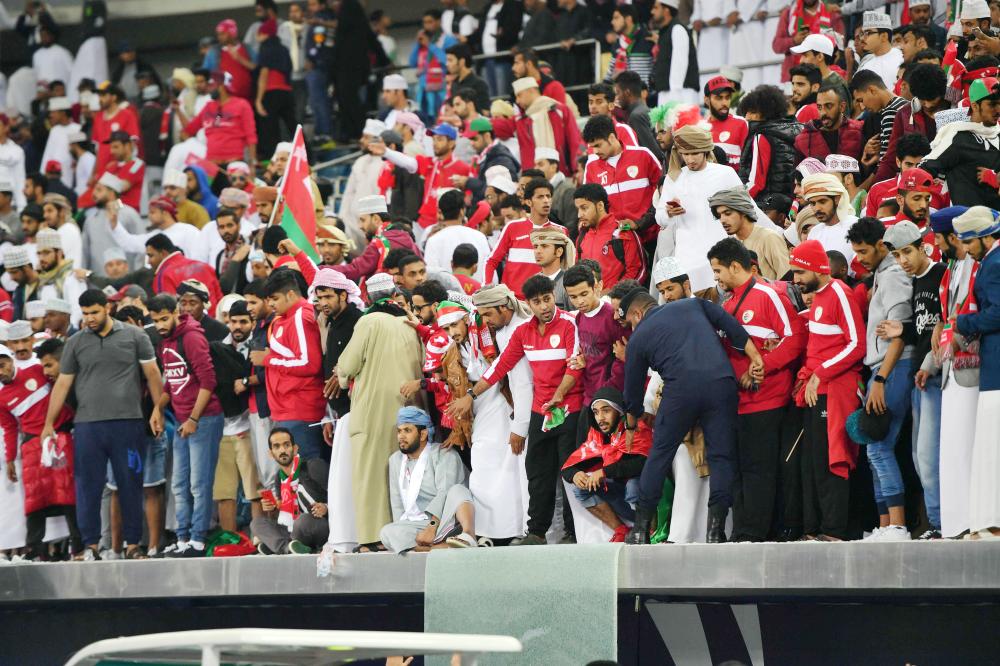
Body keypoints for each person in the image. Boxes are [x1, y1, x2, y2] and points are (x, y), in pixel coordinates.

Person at [620, 287, 765, 544]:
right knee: (721, 456)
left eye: (628, 321)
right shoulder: (693, 304)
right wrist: (755, 357)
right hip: (721, 383)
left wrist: (633, 425)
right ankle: (715, 531)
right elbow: (731, 326)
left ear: (638, 313)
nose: (629, 328)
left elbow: (631, 397)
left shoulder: (639, 337)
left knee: (660, 456)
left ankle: (641, 529)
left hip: (679, 393)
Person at [461, 274, 583, 546]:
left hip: (569, 408)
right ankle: (537, 532)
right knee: (537, 473)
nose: (544, 306)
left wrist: (559, 395)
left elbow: (575, 366)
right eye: (537, 302)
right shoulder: (523, 332)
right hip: (542, 413)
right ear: (528, 303)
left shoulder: (570, 324)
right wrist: (471, 394)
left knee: (569, 473)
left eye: (548, 299)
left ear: (554, 296)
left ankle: (576, 533)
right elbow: (500, 367)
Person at [42, 289, 164, 561]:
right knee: (88, 486)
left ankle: (133, 545)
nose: (89, 319)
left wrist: (158, 409)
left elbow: (153, 373)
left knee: (130, 483)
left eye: (94, 312)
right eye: (84, 314)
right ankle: (91, 546)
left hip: (128, 424)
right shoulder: (75, 342)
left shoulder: (135, 336)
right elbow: (63, 383)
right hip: (87, 426)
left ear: (107, 308)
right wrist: (48, 422)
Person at [708, 238, 806, 542]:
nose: (716, 278)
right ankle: (742, 531)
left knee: (759, 471)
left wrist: (762, 365)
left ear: (735, 266)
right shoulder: (728, 304)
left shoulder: (767, 295)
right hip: (739, 404)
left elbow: (796, 337)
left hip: (767, 400)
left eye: (718, 271)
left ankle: (755, 534)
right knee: (740, 470)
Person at [336, 273, 423, 549]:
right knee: (402, 476)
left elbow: (347, 366)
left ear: (368, 298)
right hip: (408, 412)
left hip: (372, 412)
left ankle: (372, 539)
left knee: (370, 476)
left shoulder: (368, 321)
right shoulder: (410, 323)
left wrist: (340, 376)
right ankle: (400, 535)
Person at [788, 240, 866, 541]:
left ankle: (834, 530)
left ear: (814, 268)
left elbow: (856, 344)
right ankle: (815, 528)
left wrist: (819, 374)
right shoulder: (819, 297)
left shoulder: (840, 294)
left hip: (836, 389)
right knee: (812, 463)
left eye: (798, 272)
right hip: (817, 388)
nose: (795, 280)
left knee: (833, 457)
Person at [878, 220, 946, 540]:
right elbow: (924, 329)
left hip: (937, 377)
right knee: (920, 458)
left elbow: (944, 324)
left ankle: (940, 522)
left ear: (922, 247)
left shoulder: (940, 274)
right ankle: (937, 520)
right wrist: (902, 331)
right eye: (896, 255)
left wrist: (929, 365)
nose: (902, 260)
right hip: (921, 377)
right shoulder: (917, 280)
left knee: (931, 456)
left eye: (907, 252)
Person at [146, 294, 223, 557]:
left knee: (199, 484)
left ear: (176, 312)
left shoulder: (191, 337)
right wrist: (158, 408)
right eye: (155, 320)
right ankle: (182, 539)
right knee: (179, 484)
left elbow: (208, 381)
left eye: (164, 318)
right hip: (181, 421)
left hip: (204, 419)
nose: (159, 325)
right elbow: (171, 384)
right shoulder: (165, 341)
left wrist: (193, 419)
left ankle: (198, 540)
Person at [0, 344, 81, 560]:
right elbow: (9, 428)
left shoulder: (37, 370)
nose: (0, 371)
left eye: (1, 365)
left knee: (67, 492)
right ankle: (34, 551)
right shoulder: (2, 397)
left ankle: (79, 545)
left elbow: (64, 386)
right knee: (34, 499)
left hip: (59, 438)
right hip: (31, 446)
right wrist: (10, 458)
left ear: (10, 361)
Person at [952, 207, 1000, 540]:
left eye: (969, 242)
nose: (966, 249)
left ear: (984, 237)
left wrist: (962, 323)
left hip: (997, 370)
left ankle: (992, 523)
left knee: (992, 445)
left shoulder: (994, 265)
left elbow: (997, 313)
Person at [251, 269, 326, 462]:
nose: (271, 304)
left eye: (274, 298)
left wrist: (267, 360)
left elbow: (310, 364)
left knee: (308, 475)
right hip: (285, 409)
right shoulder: (283, 319)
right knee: (295, 476)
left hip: (300, 409)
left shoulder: (301, 317)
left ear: (291, 294)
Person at [378, 407, 477, 552]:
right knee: (387, 533)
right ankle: (442, 546)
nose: (401, 436)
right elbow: (397, 502)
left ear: (423, 434)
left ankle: (469, 536)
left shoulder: (443, 453)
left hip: (448, 517)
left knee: (457, 490)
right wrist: (401, 529)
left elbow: (445, 492)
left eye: (407, 430)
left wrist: (432, 527)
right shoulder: (395, 460)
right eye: (399, 431)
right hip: (418, 524)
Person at [659, 125, 744, 292]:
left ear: (705, 151)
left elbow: (747, 209)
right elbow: (660, 217)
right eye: (685, 154)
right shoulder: (673, 178)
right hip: (688, 257)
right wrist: (669, 212)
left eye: (694, 153)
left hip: (724, 253)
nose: (690, 160)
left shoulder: (725, 174)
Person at [561, 386, 651, 542]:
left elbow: (644, 464)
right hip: (622, 497)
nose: (600, 418)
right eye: (596, 412)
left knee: (633, 486)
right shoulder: (597, 435)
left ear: (619, 411)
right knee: (581, 488)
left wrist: (604, 472)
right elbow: (568, 466)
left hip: (650, 500)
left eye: (606, 411)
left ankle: (650, 529)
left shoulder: (635, 428)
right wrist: (575, 474)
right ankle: (621, 530)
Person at [369, 123, 472, 244]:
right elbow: (409, 163)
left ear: (451, 143)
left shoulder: (463, 168)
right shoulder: (430, 163)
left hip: (449, 225)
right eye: (433, 139)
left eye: (439, 139)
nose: (434, 143)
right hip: (423, 224)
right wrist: (387, 152)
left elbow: (468, 201)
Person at [922, 76, 1000, 210]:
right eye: (992, 104)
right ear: (975, 106)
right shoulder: (957, 137)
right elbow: (924, 169)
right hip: (969, 225)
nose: (998, 110)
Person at [582, 114, 662, 242]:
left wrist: (642, 223)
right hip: (616, 243)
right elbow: (588, 205)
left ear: (612, 138)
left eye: (598, 145)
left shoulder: (643, 155)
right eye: (592, 147)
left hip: (652, 237)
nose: (595, 151)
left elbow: (663, 192)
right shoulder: (591, 167)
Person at [484, 178, 568, 298]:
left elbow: (567, 267)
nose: (546, 201)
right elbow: (491, 261)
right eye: (540, 197)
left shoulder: (561, 231)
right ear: (528, 202)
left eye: (548, 196)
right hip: (512, 302)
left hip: (544, 303)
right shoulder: (512, 227)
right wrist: (487, 289)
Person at [252, 427, 330, 554]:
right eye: (276, 447)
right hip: (293, 529)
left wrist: (326, 507)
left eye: (286, 445)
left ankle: (278, 546)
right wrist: (272, 509)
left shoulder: (314, 466)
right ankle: (288, 547)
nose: (282, 450)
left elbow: (340, 496)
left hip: (318, 525)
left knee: (303, 521)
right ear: (271, 454)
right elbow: (282, 518)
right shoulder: (279, 478)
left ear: (295, 448)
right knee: (257, 523)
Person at [490, 76, 582, 177]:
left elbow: (575, 141)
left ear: (531, 90)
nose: (517, 101)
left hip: (561, 174)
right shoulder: (520, 120)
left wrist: (577, 169)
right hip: (532, 179)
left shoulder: (560, 110)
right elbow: (498, 127)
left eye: (519, 95)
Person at [737, 85, 803, 202]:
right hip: (790, 201)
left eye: (752, 112)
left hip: (767, 204)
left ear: (766, 113)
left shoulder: (762, 136)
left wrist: (737, 201)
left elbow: (757, 183)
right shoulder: (797, 130)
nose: (747, 117)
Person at [573, 184, 645, 290]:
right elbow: (579, 272)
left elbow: (637, 271)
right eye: (578, 209)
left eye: (584, 208)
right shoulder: (582, 235)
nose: (579, 215)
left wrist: (612, 295)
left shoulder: (622, 231)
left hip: (618, 302)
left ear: (600, 206)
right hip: (591, 303)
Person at [708, 188, 790, 280]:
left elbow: (787, 279)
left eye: (728, 213)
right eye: (719, 216)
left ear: (742, 211)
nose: (722, 220)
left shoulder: (769, 237)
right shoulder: (731, 245)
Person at [182, 71, 258, 169]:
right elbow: (189, 130)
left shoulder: (242, 105)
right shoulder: (209, 107)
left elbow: (251, 136)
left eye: (212, 85)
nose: (209, 88)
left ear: (221, 86)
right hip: (211, 167)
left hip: (234, 166)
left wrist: (252, 164)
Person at [81, 173, 146, 275]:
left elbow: (142, 247)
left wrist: (139, 276)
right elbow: (85, 253)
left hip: (127, 280)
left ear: (111, 192)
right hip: (98, 283)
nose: (94, 193)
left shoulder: (130, 214)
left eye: (99, 190)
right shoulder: (91, 219)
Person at [423, 190, 491, 283]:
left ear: (441, 212)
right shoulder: (479, 237)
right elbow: (490, 274)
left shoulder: (433, 240)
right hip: (478, 294)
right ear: (462, 211)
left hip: (445, 296)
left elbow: (430, 276)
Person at [145, 234, 223, 312]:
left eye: (150, 256)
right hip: (216, 321)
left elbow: (167, 313)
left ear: (163, 253)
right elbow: (220, 302)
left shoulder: (163, 276)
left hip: (190, 323)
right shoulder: (205, 266)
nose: (148, 262)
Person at [254, 18, 296, 160]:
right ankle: (306, 153)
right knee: (293, 126)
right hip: (286, 91)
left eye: (259, 33)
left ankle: (272, 159)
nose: (257, 36)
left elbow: (264, 74)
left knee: (270, 129)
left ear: (265, 34)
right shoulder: (283, 49)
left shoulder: (265, 48)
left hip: (271, 92)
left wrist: (259, 100)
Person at [109, 195, 200, 260]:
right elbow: (129, 243)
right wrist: (115, 224)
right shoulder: (154, 236)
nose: (149, 216)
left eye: (153, 212)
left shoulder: (188, 231)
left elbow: (198, 257)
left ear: (165, 213)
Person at [801, 173, 859, 270]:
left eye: (822, 201)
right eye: (812, 203)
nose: (817, 208)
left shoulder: (856, 226)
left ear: (837, 199)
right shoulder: (814, 233)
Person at [794, 85, 864, 163]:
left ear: (842, 107)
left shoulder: (860, 129)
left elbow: (865, 167)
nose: (823, 112)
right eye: (819, 107)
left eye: (829, 106)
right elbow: (796, 173)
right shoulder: (803, 139)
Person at [409, 9, 457, 119]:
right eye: (425, 22)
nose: (427, 26)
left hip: (442, 86)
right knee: (425, 119)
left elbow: (447, 61)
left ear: (439, 22)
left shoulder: (448, 40)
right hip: (424, 87)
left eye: (430, 22)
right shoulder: (422, 42)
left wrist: (430, 45)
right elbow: (412, 63)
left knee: (442, 116)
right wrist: (418, 44)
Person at [651, 0, 699, 106]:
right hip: (667, 93)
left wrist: (675, 97)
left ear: (666, 10)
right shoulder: (665, 31)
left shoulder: (678, 29)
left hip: (681, 94)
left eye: (656, 8)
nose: (652, 11)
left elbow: (680, 64)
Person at [462, 118, 520, 203]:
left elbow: (499, 190)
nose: (472, 143)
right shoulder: (480, 156)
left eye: (475, 139)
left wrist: (468, 182)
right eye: (470, 140)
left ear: (487, 136)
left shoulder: (501, 158)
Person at [703, 76, 749, 169]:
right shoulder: (700, 128)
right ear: (707, 100)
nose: (725, 103)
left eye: (727, 97)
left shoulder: (741, 123)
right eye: (719, 98)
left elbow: (749, 162)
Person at [857, 12, 904, 89]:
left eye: (868, 33)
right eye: (862, 33)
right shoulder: (865, 62)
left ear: (884, 36)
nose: (862, 38)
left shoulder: (901, 58)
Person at [215, 18, 255, 100]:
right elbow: (210, 74)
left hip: (248, 98)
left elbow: (256, 68)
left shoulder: (247, 48)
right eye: (218, 34)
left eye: (222, 34)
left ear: (232, 33)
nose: (219, 37)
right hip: (227, 100)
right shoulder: (215, 52)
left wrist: (239, 59)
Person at [41, 192, 81, 267]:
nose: (45, 215)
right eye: (44, 212)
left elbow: (51, 261)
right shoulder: (64, 229)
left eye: (49, 211)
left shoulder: (68, 229)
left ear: (62, 211)